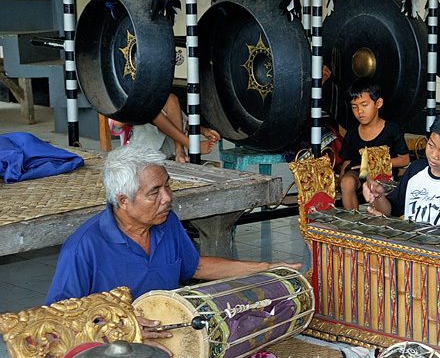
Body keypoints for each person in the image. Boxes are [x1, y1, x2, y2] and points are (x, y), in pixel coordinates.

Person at [46, 145, 300, 338]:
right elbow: (58, 317)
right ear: (123, 201)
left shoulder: (166, 223)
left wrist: (265, 269)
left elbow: (195, 267)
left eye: (167, 186)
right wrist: (120, 327)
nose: (167, 198)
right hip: (114, 347)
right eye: (154, 192)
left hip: (169, 329)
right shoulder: (83, 247)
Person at [362, 110, 440, 226]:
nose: (434, 155)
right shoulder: (415, 169)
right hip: (406, 242)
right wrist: (378, 196)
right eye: (431, 145)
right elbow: (390, 211)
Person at [338, 79, 411, 210]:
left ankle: (378, 219)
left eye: (364, 105)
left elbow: (404, 159)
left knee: (373, 181)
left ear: (378, 103)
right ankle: (353, 222)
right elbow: (347, 160)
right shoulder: (352, 132)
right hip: (357, 172)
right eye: (354, 107)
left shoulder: (391, 129)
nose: (359, 111)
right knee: (347, 182)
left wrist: (373, 165)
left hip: (381, 174)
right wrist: (341, 181)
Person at [110, 92, 221, 164]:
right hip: (138, 153)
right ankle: (191, 144)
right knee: (151, 110)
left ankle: (180, 151)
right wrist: (138, 99)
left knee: (171, 98)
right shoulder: (118, 97)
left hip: (165, 150)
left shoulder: (159, 98)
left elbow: (182, 122)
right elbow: (117, 124)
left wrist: (204, 131)